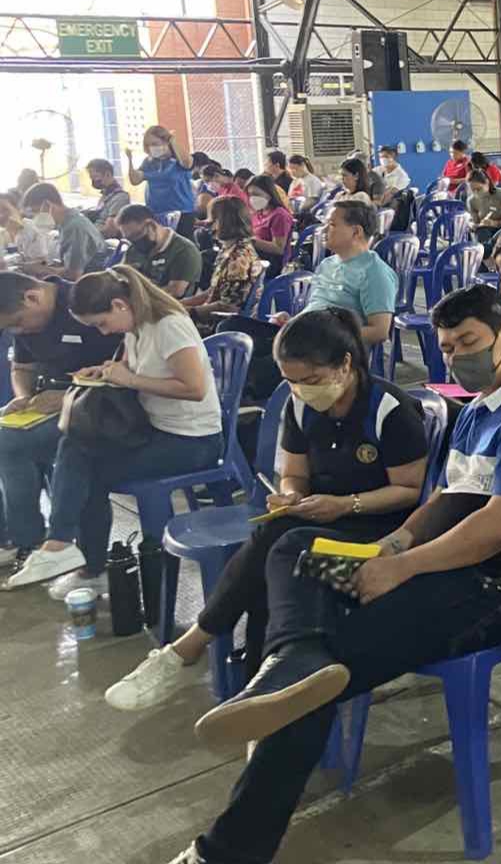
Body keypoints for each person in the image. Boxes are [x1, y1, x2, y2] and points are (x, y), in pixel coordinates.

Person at [169, 284, 501, 864]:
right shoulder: (483, 407)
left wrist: (401, 568)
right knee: (291, 550)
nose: (455, 356)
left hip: (492, 590)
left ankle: (227, 850)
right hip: (438, 568)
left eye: (468, 341)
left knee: (321, 673)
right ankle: (290, 660)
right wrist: (391, 546)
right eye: (445, 346)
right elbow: (444, 501)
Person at [104, 308, 430, 709]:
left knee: (277, 549)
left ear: (345, 364)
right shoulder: (301, 405)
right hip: (315, 522)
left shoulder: (389, 411)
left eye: (311, 380)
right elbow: (294, 475)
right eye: (291, 381)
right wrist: (290, 495)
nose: (301, 390)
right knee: (275, 551)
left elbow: (410, 491)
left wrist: (346, 505)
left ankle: (195, 655)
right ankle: (259, 687)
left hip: (375, 541)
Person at [8, 266, 222, 592]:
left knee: (88, 471)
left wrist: (130, 379)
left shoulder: (169, 326)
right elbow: (136, 369)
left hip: (192, 441)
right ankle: (64, 546)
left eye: (101, 323)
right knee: (75, 443)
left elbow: (194, 388)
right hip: (157, 429)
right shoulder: (137, 329)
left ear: (120, 305)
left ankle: (84, 562)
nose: (103, 332)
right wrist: (107, 371)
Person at [0, 272, 122, 574]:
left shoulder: (84, 303)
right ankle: (21, 537)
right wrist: (24, 397)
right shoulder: (26, 323)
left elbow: (123, 370)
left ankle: (28, 541)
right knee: (7, 436)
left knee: (10, 443)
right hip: (49, 403)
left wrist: (69, 393)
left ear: (33, 297)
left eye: (17, 322)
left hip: (99, 405)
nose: (18, 330)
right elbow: (21, 368)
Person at [221, 200, 397, 400]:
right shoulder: (328, 264)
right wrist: (294, 319)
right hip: (303, 333)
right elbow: (316, 307)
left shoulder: (374, 273)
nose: (323, 230)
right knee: (231, 328)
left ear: (355, 232)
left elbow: (379, 331)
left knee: (258, 364)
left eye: (331, 225)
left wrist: (327, 334)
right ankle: (240, 387)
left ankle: (242, 395)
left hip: (330, 347)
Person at [184, 196, 263, 333]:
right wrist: (180, 304)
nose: (208, 224)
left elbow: (228, 307)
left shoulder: (238, 258)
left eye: (213, 220)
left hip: (225, 326)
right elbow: (213, 291)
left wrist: (189, 312)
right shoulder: (230, 248)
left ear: (226, 223)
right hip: (217, 316)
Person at [18, 183, 104, 282]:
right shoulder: (67, 223)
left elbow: (73, 275)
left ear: (47, 205)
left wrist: (41, 269)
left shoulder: (74, 228)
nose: (34, 218)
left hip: (89, 284)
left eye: (35, 212)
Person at [125, 124, 196, 239]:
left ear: (166, 142)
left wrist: (173, 141)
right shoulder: (149, 162)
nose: (151, 148)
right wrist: (130, 160)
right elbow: (135, 180)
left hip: (181, 213)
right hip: (157, 213)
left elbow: (187, 162)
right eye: (148, 145)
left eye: (155, 144)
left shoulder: (177, 160)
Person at [117, 204, 203, 298]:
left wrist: (137, 297)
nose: (134, 242)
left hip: (167, 307)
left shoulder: (184, 250)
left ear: (152, 225)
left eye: (136, 235)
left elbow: (175, 291)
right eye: (129, 238)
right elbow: (121, 275)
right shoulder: (134, 248)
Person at [247, 173, 295, 277]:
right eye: (250, 194)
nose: (252, 198)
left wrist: (251, 241)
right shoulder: (259, 212)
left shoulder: (279, 215)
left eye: (257, 194)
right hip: (258, 255)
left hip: (273, 262)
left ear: (269, 193)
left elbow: (278, 248)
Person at [466, 170, 501, 257]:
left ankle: (486, 256)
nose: (476, 193)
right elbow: (475, 222)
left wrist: (495, 223)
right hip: (486, 232)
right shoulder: (472, 201)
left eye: (479, 189)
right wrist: (472, 224)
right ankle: (484, 257)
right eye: (473, 190)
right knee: (480, 232)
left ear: (487, 183)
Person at [85, 158, 131, 236]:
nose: (93, 181)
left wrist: (88, 233)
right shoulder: (105, 195)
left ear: (108, 174)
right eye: (91, 178)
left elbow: (111, 230)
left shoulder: (120, 197)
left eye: (95, 177)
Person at [0, 195, 48, 262]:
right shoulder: (3, 233)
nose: (1, 215)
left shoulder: (31, 230)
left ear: (18, 209)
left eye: (5, 209)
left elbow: (42, 262)